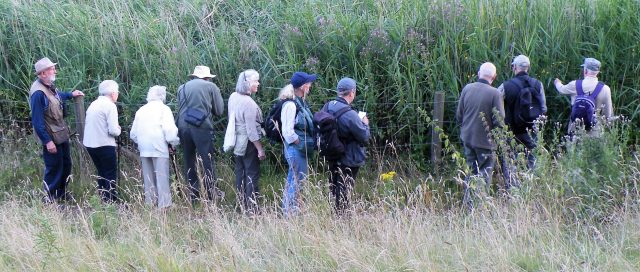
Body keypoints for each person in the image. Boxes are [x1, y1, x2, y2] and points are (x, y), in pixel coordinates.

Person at [28, 57, 84, 203]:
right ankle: (49, 200)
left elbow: (58, 97)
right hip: (51, 138)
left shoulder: (48, 86)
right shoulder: (38, 93)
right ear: (42, 74)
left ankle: (61, 194)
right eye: (51, 69)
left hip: (60, 134)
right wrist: (47, 142)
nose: (55, 70)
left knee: (66, 165)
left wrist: (71, 94)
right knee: (54, 168)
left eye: (53, 68)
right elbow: (37, 121)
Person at [456, 62, 504, 209]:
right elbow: (500, 121)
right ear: (494, 77)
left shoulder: (467, 89)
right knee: (484, 175)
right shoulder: (495, 93)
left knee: (471, 172)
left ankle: (468, 205)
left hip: (468, 139)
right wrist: (497, 140)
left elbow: (459, 115)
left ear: (478, 74)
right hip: (485, 143)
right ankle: (479, 207)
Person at [176, 65, 225, 205]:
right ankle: (211, 196)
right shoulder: (211, 87)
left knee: (189, 161)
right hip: (202, 126)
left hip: (183, 126)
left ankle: (194, 197)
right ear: (207, 77)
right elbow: (219, 110)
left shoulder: (182, 87)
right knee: (207, 161)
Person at [323, 77, 370, 215]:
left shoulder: (327, 106)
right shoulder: (350, 114)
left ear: (338, 91)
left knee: (335, 187)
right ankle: (343, 220)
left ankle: (335, 215)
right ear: (352, 93)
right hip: (349, 157)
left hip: (331, 154)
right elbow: (364, 137)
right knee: (344, 189)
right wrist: (365, 124)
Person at [130, 85, 180, 209]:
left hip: (144, 147)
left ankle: (150, 203)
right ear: (163, 96)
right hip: (159, 146)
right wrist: (173, 144)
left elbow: (133, 134)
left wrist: (141, 142)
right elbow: (170, 131)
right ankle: (164, 205)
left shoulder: (141, 110)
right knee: (162, 176)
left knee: (148, 177)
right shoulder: (164, 109)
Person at [226, 69, 266, 213]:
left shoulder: (233, 97)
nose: (258, 83)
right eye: (256, 81)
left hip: (236, 140)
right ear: (247, 83)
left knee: (240, 172)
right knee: (252, 173)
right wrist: (260, 149)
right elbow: (251, 131)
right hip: (249, 143)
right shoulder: (249, 103)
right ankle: (253, 209)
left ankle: (241, 205)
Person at [497, 55, 546, 170]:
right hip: (532, 130)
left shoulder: (506, 86)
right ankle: (534, 185)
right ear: (528, 67)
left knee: (510, 161)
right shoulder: (538, 84)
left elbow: (496, 104)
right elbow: (543, 108)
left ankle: (511, 185)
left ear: (514, 67)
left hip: (512, 130)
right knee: (533, 160)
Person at [281, 71, 317, 216]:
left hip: (297, 150)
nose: (310, 85)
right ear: (303, 86)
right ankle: (291, 215)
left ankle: (287, 212)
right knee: (297, 183)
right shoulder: (290, 105)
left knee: (293, 181)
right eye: (308, 83)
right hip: (295, 150)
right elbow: (287, 132)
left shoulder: (300, 102)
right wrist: (301, 143)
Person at [83, 80, 121, 203]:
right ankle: (111, 201)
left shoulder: (93, 104)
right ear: (113, 93)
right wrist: (119, 130)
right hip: (104, 144)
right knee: (110, 173)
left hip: (90, 144)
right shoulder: (110, 106)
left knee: (101, 171)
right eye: (117, 92)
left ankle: (103, 198)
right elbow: (113, 131)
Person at [554, 57, 613, 135]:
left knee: (573, 147)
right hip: (595, 133)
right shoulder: (605, 89)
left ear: (585, 70)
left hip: (575, 130)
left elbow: (561, 90)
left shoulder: (575, 84)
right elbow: (608, 115)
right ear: (598, 72)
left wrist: (557, 82)